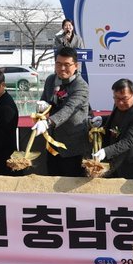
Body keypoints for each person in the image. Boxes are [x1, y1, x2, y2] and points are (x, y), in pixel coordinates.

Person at [35, 47, 91, 176]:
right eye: (58, 64)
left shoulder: (81, 86)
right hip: (52, 144)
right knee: (52, 178)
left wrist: (48, 122)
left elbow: (69, 109)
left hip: (73, 146)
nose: (62, 68)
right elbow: (45, 100)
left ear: (76, 66)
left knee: (71, 183)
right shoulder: (51, 80)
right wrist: (41, 107)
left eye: (67, 65)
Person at [90, 78, 133, 178]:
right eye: (116, 98)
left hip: (130, 163)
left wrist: (106, 152)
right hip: (115, 159)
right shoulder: (117, 104)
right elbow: (117, 120)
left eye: (124, 99)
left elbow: (129, 141)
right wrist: (102, 119)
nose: (120, 103)